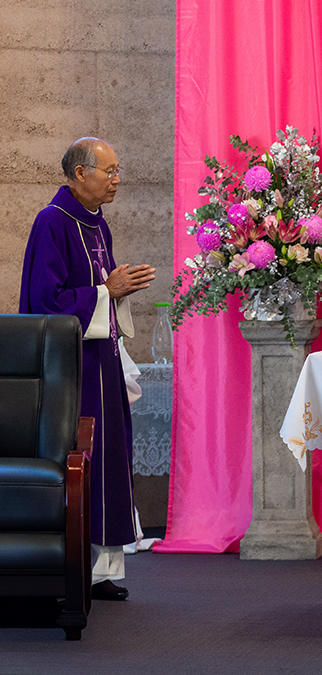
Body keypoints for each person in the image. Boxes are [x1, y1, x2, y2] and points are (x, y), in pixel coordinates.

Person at [19, 137, 156, 601]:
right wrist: (105, 292)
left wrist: (114, 292)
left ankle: (102, 570)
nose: (117, 179)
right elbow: (45, 305)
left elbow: (101, 290)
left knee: (111, 457)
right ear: (81, 173)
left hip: (104, 359)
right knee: (84, 457)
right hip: (73, 368)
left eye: (118, 170)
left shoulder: (97, 225)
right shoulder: (51, 223)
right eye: (110, 170)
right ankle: (75, 566)